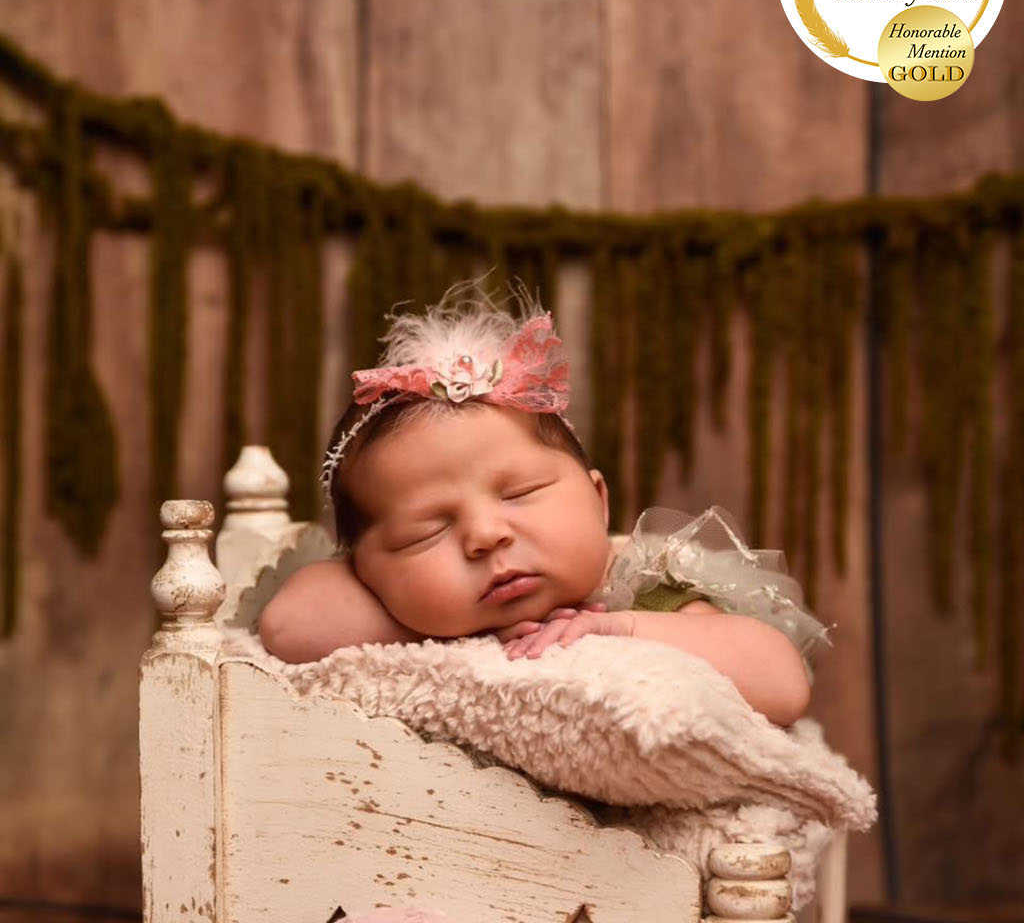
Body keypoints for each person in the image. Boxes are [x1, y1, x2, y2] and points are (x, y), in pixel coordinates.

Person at [259, 287, 830, 727]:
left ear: (599, 502)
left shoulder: (641, 587)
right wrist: (443, 623)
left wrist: (621, 629)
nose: (486, 535)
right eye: (425, 533)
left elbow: (783, 685)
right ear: (366, 572)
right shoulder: (414, 610)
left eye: (520, 494)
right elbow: (289, 625)